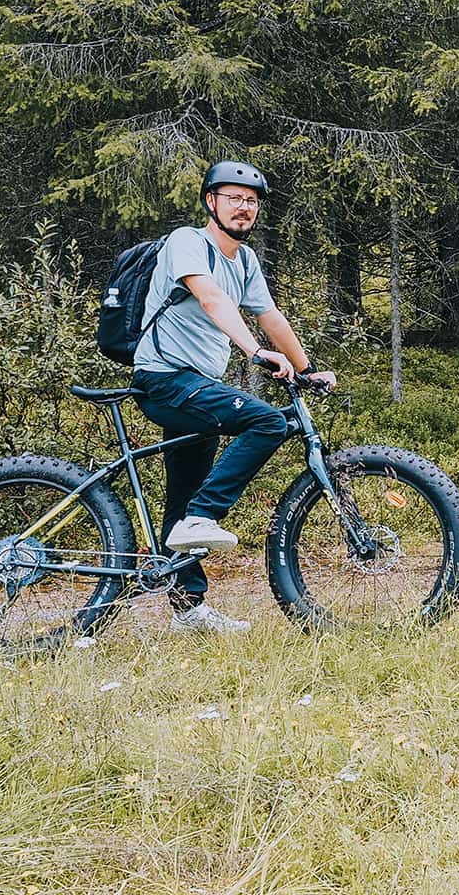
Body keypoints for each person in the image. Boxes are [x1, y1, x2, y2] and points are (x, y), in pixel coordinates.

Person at [131, 160, 336, 632]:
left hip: (194, 387)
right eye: (234, 198)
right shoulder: (188, 242)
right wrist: (255, 352)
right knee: (265, 422)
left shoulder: (244, 260)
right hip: (164, 379)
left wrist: (305, 371)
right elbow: (211, 299)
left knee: (184, 493)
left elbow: (272, 316)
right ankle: (202, 517)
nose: (244, 208)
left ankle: (188, 606)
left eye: (251, 201)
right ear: (211, 202)